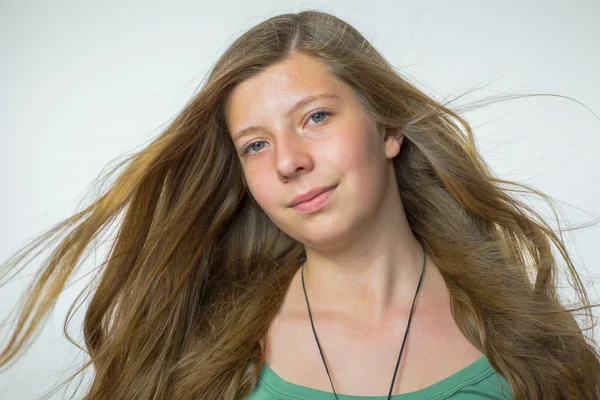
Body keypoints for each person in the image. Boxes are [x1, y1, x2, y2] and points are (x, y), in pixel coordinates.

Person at [1, 10, 599, 400]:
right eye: (255, 145)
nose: (288, 160)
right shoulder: (197, 356)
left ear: (388, 129)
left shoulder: (530, 343)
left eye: (315, 117)